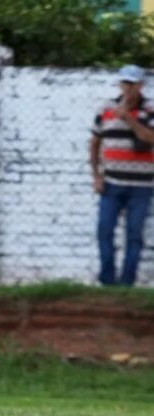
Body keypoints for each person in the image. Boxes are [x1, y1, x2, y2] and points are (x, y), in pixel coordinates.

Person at [90, 64, 154, 286]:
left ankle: (127, 283)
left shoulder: (150, 109)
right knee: (104, 230)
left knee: (134, 235)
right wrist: (96, 175)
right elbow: (95, 142)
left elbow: (149, 138)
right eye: (124, 83)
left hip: (142, 185)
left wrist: (128, 118)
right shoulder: (106, 109)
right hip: (111, 183)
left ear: (140, 86)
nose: (127, 88)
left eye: (131, 84)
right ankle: (108, 282)